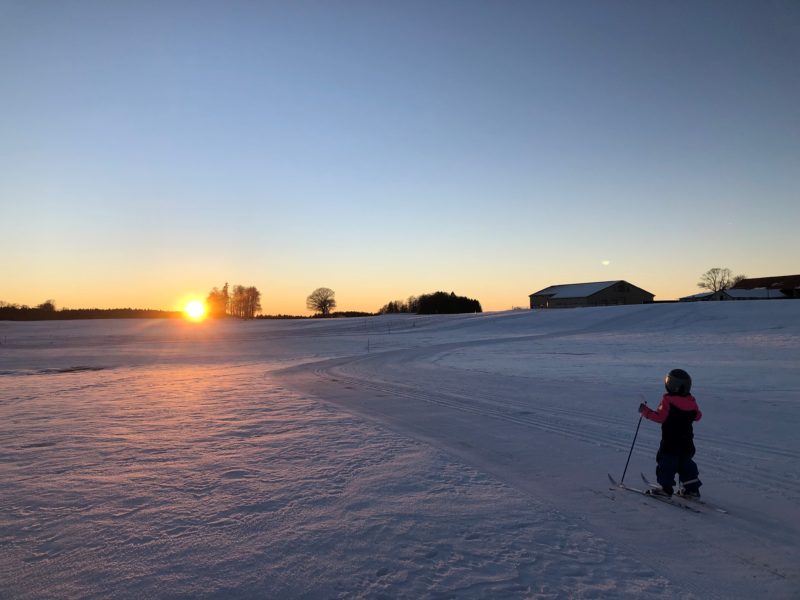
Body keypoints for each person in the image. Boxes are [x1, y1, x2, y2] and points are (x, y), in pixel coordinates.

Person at [639, 369, 703, 497]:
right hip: (687, 442)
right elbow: (698, 416)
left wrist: (645, 412)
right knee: (685, 464)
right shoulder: (691, 401)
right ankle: (692, 490)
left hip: (671, 442)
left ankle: (665, 489)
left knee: (666, 463)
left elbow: (660, 417)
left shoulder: (668, 401)